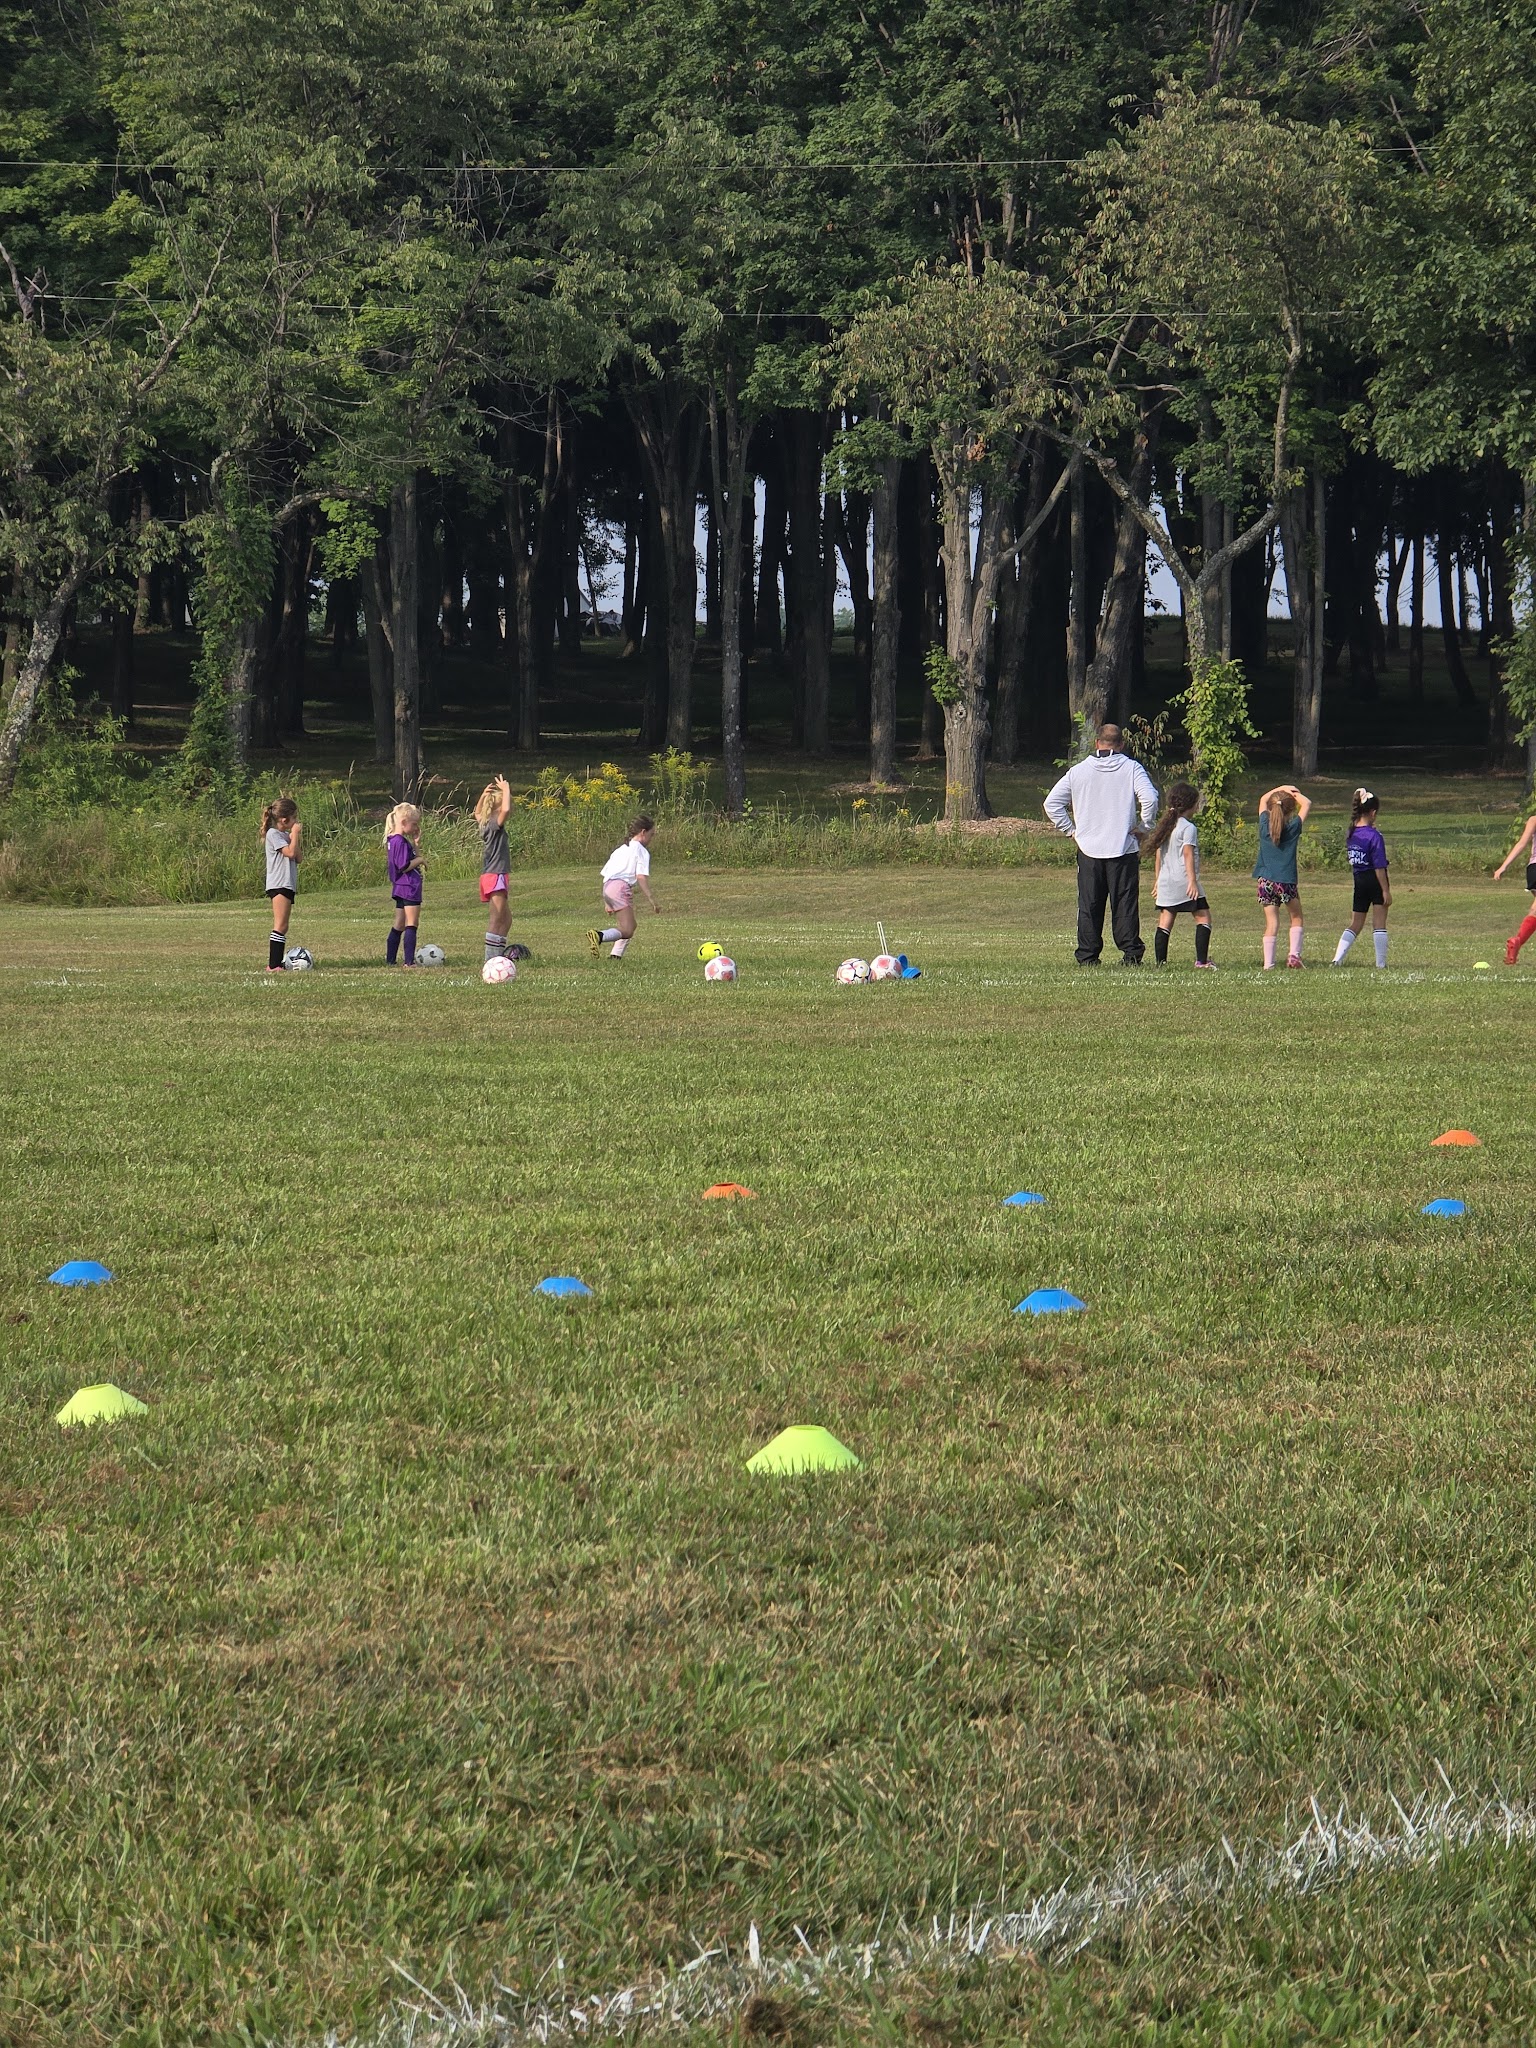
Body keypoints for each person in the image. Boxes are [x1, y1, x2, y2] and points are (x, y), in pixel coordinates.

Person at [1043, 722, 1159, 964]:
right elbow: (1150, 798)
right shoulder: (1131, 768)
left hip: (1088, 848)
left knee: (1089, 904)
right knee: (1125, 903)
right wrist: (1144, 827)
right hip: (1123, 847)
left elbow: (1051, 803)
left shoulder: (1079, 771)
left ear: (1097, 743)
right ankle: (1130, 953)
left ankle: (1087, 955)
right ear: (1121, 745)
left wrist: (1072, 831)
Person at [1145, 781, 1214, 967]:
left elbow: (1159, 855)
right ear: (1191, 804)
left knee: (1165, 920)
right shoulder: (1188, 827)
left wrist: (1157, 881)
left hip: (1166, 882)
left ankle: (1161, 963)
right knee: (1204, 918)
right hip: (1184, 881)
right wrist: (1192, 881)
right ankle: (1201, 961)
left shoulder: (1166, 825)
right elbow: (1187, 854)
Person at [1253, 783, 1311, 969]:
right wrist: (1293, 793)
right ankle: (1294, 956)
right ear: (1291, 811)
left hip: (1265, 881)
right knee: (1296, 917)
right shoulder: (1293, 827)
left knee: (1272, 923)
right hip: (1286, 881)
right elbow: (1307, 803)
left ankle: (1268, 964)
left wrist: (1281, 789)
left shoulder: (1264, 825)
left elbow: (1263, 799)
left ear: (1271, 807)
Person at [1333, 787, 1391, 967]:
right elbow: (1379, 867)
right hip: (1374, 880)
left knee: (1355, 923)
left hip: (1359, 880)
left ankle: (1337, 959)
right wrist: (1385, 891)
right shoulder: (1375, 836)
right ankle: (1381, 964)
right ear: (1373, 813)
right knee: (1379, 922)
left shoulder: (1351, 833)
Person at [588, 815, 659, 960]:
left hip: (608, 887)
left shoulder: (621, 849)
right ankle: (599, 935)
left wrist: (607, 902)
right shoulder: (641, 851)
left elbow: (607, 875)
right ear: (643, 832)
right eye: (651, 835)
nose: (651, 839)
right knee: (627, 930)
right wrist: (652, 899)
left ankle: (616, 956)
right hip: (620, 888)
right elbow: (641, 877)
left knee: (630, 925)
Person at [474, 776, 516, 968]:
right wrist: (506, 789)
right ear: (497, 809)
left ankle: (499, 955)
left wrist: (483, 796)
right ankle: (490, 961)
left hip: (491, 875)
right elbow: (506, 809)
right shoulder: (494, 824)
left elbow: (476, 813)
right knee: (496, 917)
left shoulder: (484, 822)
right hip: (495, 874)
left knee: (506, 919)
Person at [262, 796, 301, 972]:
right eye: (294, 818)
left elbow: (298, 857)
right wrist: (296, 835)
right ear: (285, 819)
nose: (296, 822)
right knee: (280, 925)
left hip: (287, 884)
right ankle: (274, 965)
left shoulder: (285, 835)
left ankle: (275, 963)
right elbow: (290, 854)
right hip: (279, 884)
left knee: (284, 925)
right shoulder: (273, 834)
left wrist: (293, 837)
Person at [385, 802, 425, 966]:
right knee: (411, 923)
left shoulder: (393, 840)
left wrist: (416, 845)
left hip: (400, 887)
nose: (416, 827)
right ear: (403, 822)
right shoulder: (400, 841)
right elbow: (403, 865)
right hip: (409, 886)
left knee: (399, 923)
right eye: (414, 824)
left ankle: (390, 960)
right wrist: (420, 860)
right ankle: (409, 961)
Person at [1494, 812, 1536, 963]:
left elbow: (1521, 843)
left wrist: (1504, 866)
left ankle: (1516, 942)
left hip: (1533, 869)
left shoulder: (1533, 819)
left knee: (1535, 910)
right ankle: (1517, 941)